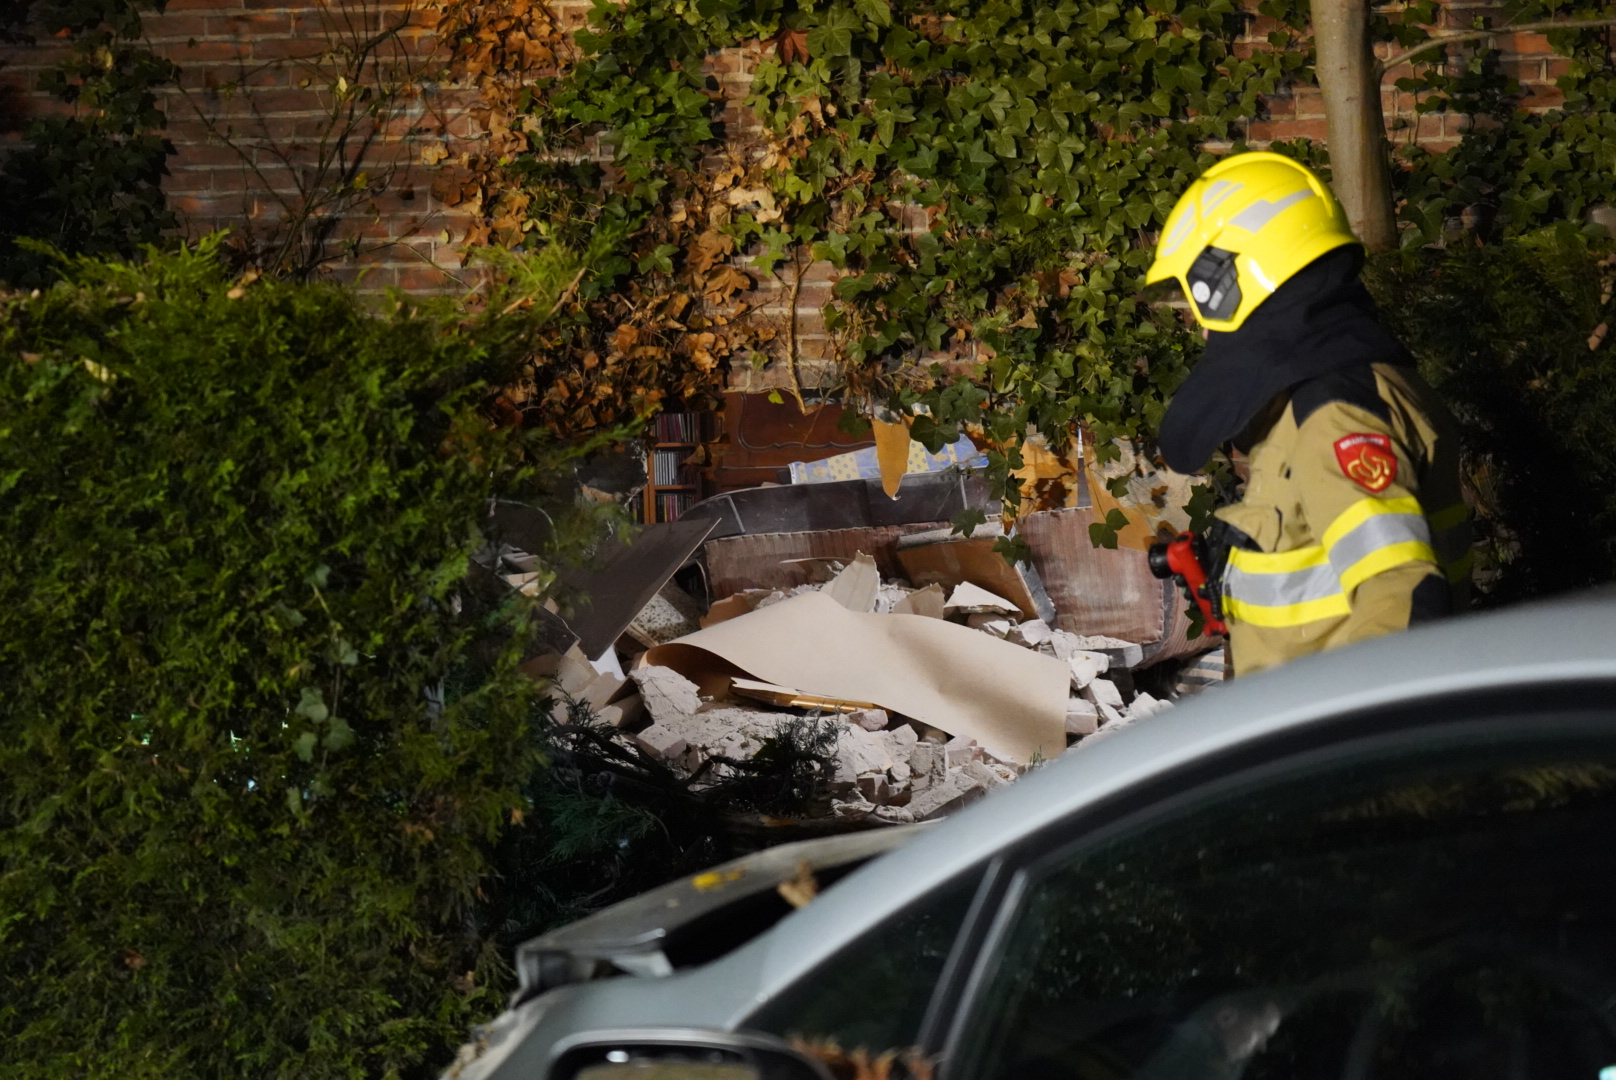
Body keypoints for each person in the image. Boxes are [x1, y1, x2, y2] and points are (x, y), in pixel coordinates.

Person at [1144, 151, 1471, 677]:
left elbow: (1402, 600)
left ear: (1235, 282)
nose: (1202, 330)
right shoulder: (1336, 390)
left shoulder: (1337, 414)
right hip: (1298, 708)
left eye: (1201, 304)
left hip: (1332, 724)